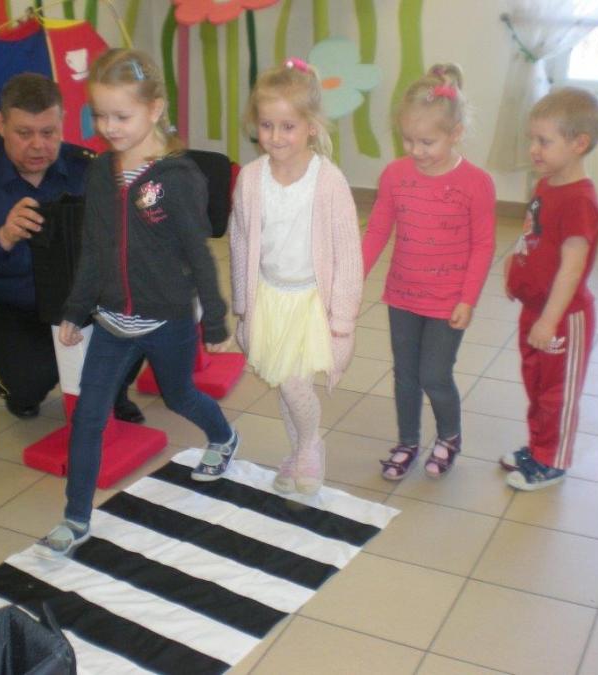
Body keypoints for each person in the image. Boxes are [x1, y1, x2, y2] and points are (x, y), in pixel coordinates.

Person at [36, 49, 238, 556]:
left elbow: (197, 251)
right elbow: (94, 248)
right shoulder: (101, 173)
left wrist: (214, 318)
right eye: (100, 115)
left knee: (179, 396)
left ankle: (222, 437)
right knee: (88, 416)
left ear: (155, 109)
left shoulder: (178, 178)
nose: (109, 128)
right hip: (112, 320)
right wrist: (75, 309)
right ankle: (75, 518)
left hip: (167, 318)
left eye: (121, 116)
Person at [0, 72, 144, 422]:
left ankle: (114, 388)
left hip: (86, 298)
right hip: (13, 304)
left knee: (147, 311)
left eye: (48, 133)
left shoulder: (90, 168)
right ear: (1, 124)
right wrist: (3, 237)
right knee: (28, 386)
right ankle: (14, 381)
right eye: (24, 133)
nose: (37, 145)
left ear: (63, 122)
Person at [230, 58, 362, 495]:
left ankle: (310, 447)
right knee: (285, 383)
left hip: (309, 303)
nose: (275, 136)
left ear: (311, 126)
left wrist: (342, 318)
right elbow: (240, 242)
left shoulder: (328, 181)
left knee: (293, 382)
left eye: (288, 126)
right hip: (269, 298)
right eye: (267, 125)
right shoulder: (251, 179)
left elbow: (348, 253)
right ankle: (300, 451)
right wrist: (243, 305)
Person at [362, 63, 496, 481]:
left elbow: (483, 245)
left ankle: (449, 436)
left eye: (427, 142)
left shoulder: (476, 183)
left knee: (434, 375)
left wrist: (468, 299)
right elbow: (378, 230)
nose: (415, 150)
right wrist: (354, 276)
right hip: (402, 294)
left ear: (455, 133)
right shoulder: (395, 175)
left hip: (447, 301)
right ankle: (407, 441)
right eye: (408, 139)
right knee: (405, 374)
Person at [499, 87, 598, 491]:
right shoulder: (547, 184)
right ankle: (539, 446)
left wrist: (549, 320)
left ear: (579, 144)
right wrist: (514, 263)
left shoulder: (579, 200)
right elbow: (536, 234)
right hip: (535, 308)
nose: (534, 149)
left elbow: (572, 268)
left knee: (556, 392)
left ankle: (552, 460)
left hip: (562, 316)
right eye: (533, 139)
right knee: (536, 383)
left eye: (544, 141)